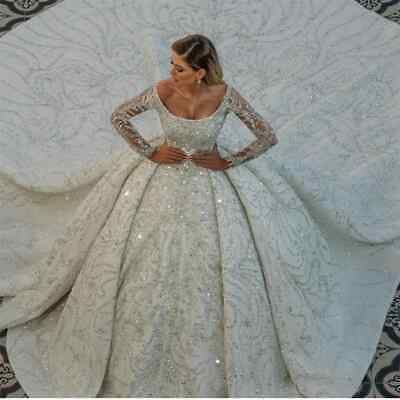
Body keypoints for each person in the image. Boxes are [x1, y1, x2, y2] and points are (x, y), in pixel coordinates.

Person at [0, 33, 398, 398]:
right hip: (159, 178)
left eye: (178, 67)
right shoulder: (161, 91)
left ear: (200, 72)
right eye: (171, 65)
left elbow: (267, 135)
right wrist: (149, 151)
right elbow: (119, 117)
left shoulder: (226, 96)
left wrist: (229, 160)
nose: (170, 73)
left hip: (213, 185)